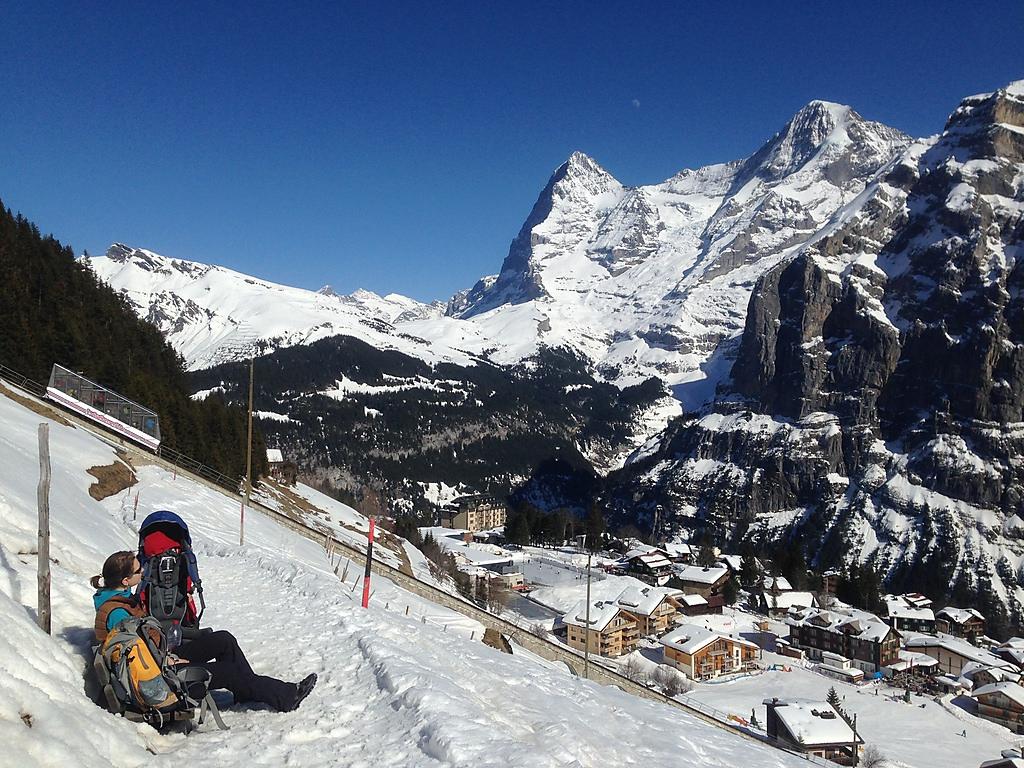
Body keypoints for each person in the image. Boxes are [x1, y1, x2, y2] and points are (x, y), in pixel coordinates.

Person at [92, 550, 316, 713]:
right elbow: (134, 658)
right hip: (160, 678)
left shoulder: (118, 599)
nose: (143, 571)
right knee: (228, 671)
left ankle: (248, 689)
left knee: (223, 640)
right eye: (138, 570)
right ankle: (286, 696)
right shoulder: (118, 614)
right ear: (125, 580)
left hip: (160, 659)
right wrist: (167, 660)